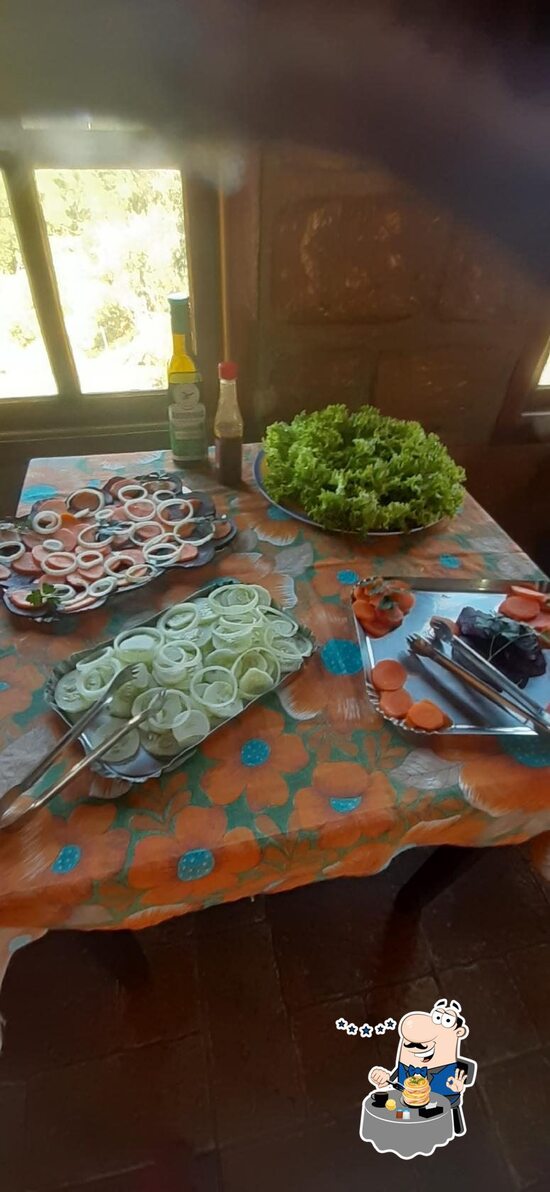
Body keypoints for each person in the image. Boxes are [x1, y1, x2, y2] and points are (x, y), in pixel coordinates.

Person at [369, 997, 477, 1136]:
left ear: (458, 1033)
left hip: (438, 1107)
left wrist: (457, 1089)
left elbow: (450, 1092)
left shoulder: (448, 1069)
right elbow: (391, 1082)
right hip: (407, 1106)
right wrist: (383, 1078)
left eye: (446, 1021)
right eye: (436, 1016)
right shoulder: (405, 1064)